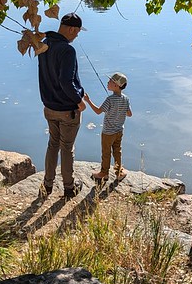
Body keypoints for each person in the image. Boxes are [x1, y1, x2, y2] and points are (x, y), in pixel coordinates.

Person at [38, 12, 86, 199]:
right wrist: (78, 100)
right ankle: (69, 187)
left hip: (49, 107)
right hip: (67, 110)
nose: (76, 37)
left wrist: (79, 90)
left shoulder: (44, 43)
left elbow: (50, 76)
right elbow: (66, 81)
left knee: (53, 145)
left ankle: (47, 186)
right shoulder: (67, 50)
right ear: (72, 29)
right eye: (77, 33)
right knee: (67, 147)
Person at [83, 72, 132, 182]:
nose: (107, 82)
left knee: (106, 152)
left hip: (108, 133)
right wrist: (120, 110)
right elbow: (129, 114)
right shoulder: (126, 99)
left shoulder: (110, 100)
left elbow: (98, 111)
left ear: (116, 85)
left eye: (110, 81)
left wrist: (88, 100)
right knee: (117, 151)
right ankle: (119, 172)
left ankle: (104, 173)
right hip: (119, 131)